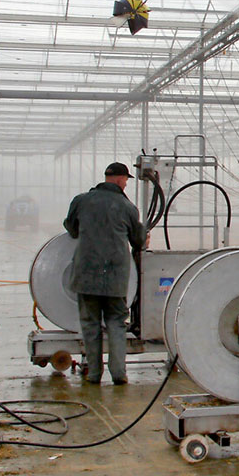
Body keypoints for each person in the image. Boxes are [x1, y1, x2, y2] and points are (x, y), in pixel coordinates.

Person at [63, 162, 146, 384]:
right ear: (120, 179)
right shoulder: (128, 207)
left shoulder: (81, 201)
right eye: (126, 180)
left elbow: (71, 229)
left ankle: (94, 375)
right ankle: (119, 374)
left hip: (86, 274)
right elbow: (138, 242)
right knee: (117, 323)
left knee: (90, 324)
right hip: (115, 276)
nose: (126, 184)